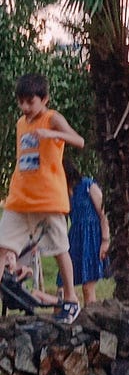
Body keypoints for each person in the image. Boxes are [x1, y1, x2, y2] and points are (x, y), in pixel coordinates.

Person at [0, 73, 85, 323]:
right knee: (2, 247)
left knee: (60, 249)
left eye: (30, 102)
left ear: (44, 99)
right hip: (20, 198)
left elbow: (79, 140)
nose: (25, 107)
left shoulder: (52, 118)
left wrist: (53, 136)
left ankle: (71, 299)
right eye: (21, 102)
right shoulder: (20, 123)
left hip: (48, 200)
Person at [66, 160, 110, 307]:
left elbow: (103, 213)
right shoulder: (64, 192)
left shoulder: (87, 185)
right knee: (64, 284)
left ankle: (91, 318)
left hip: (92, 238)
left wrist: (105, 240)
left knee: (88, 287)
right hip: (75, 239)